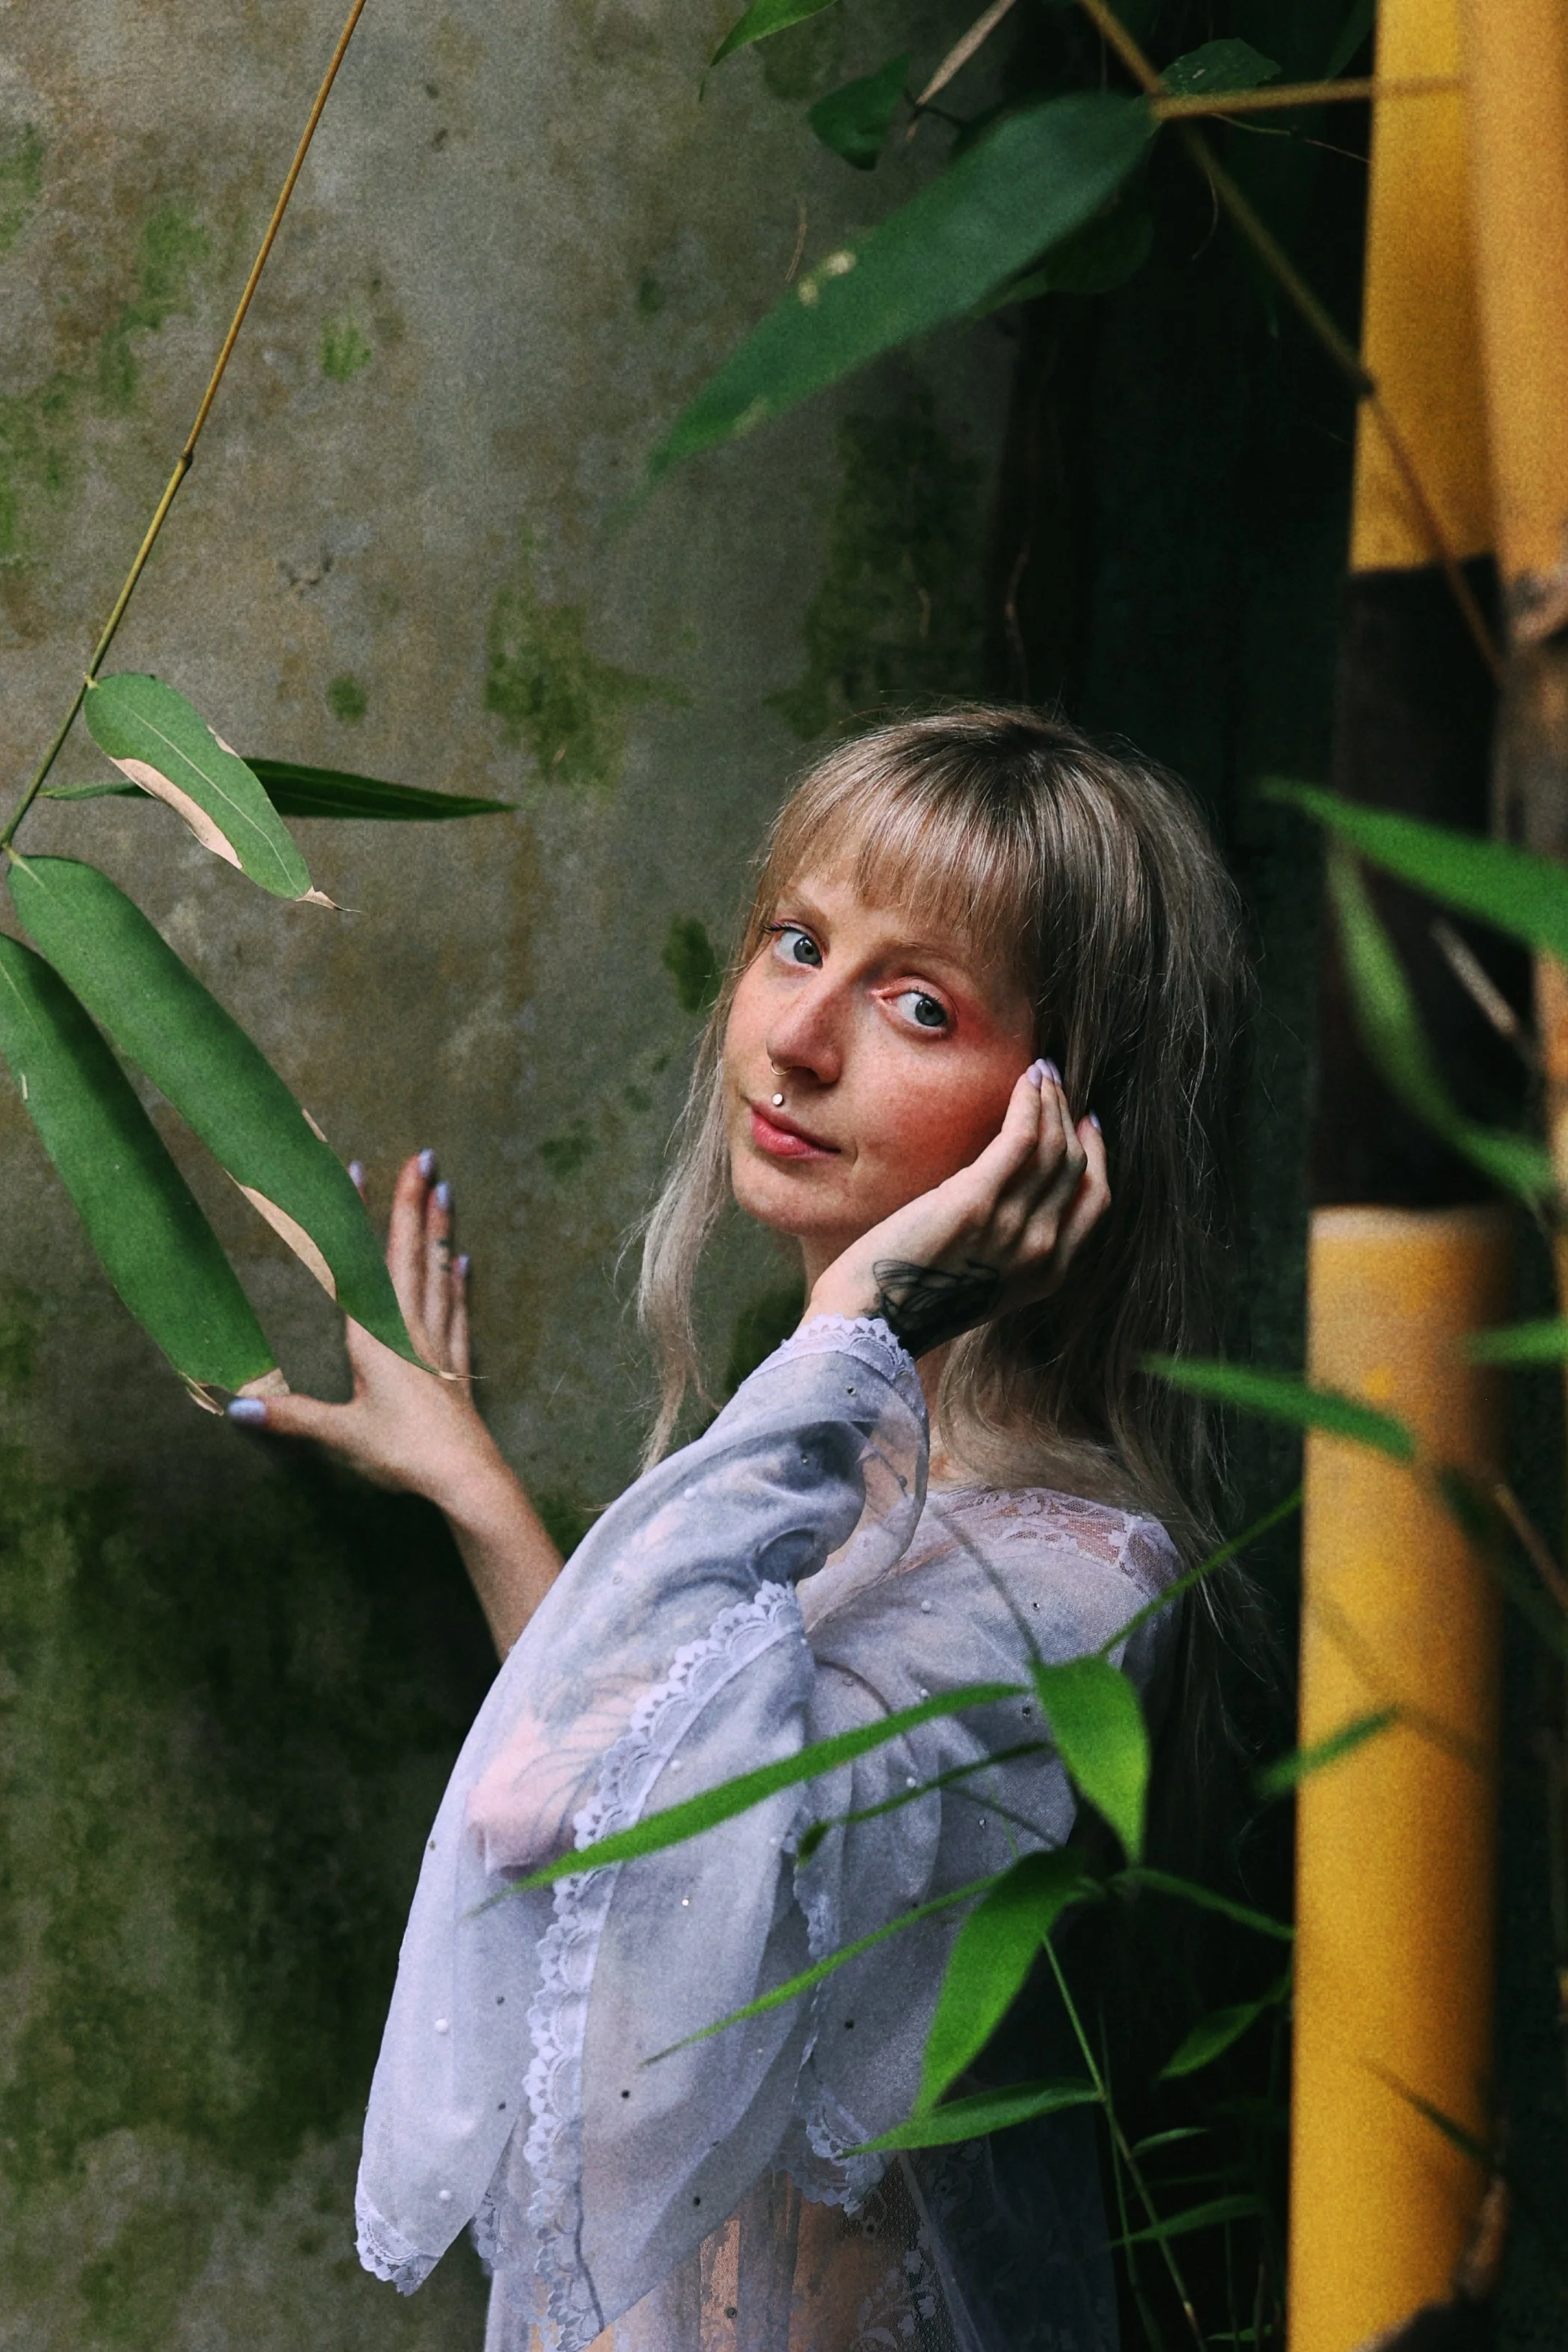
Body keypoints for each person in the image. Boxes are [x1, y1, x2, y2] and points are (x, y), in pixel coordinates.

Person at [229, 706, 1247, 2352]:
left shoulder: (1073, 1580)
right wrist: (484, 1494)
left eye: (918, 1004)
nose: (798, 1039)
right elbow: (655, 1791)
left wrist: (858, 1318)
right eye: (795, 943)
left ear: (1067, 1122)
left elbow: (593, 1844)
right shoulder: (824, 1451)